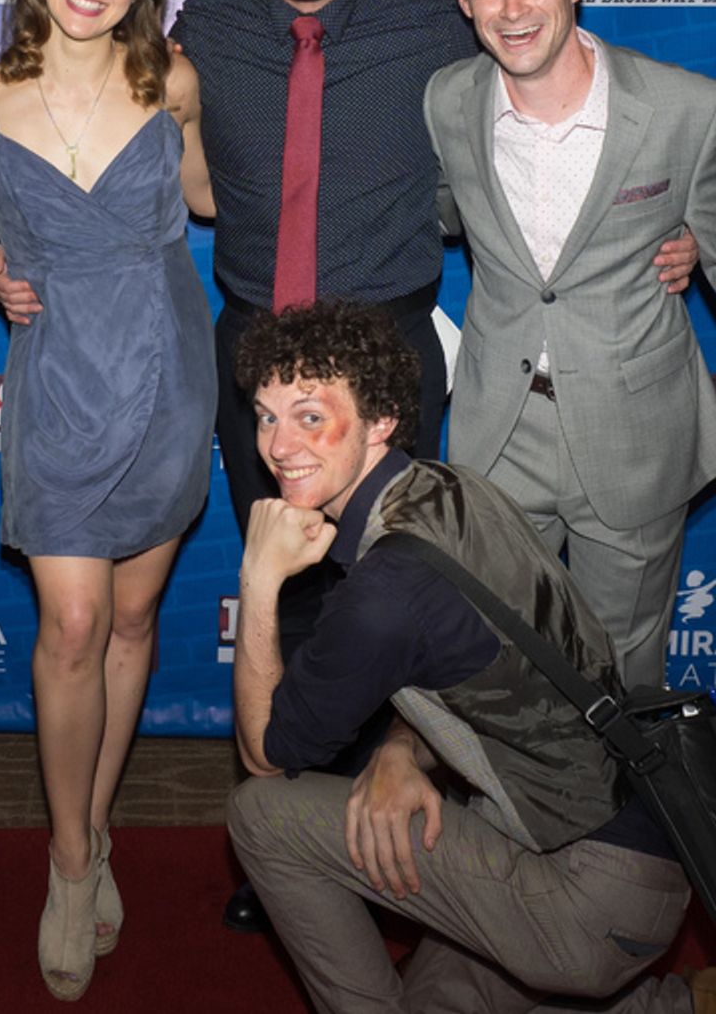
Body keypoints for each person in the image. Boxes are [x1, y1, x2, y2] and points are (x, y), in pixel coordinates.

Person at [0, 0, 695, 931]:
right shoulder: (200, 38)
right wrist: (16, 248)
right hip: (255, 362)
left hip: (391, 359)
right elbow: (98, 145)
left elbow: (536, 138)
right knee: (294, 597)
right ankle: (295, 849)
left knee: (415, 605)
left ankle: (416, 832)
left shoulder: (436, 33)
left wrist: (669, 233)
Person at [227, 298, 711, 1013]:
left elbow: (267, 755)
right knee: (439, 996)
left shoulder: (386, 589)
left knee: (261, 813)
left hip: (588, 891)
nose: (277, 445)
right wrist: (399, 747)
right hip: (640, 856)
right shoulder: (450, 489)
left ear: (380, 420)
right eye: (266, 416)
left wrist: (258, 578)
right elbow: (477, 668)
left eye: (309, 414)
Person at [0, 0, 217, 1001]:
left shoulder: (176, 82)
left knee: (135, 619)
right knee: (71, 622)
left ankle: (97, 829)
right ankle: (68, 862)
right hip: (58, 377)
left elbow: (207, 207)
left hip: (165, 370)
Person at [426, 0, 716, 690]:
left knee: (623, 676)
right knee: (493, 667)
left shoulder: (685, 110)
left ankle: (628, 822)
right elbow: (442, 217)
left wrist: (687, 235)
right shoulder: (447, 102)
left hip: (637, 436)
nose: (513, 8)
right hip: (499, 432)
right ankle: (506, 816)